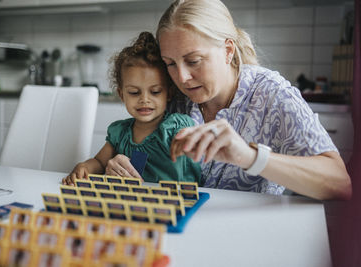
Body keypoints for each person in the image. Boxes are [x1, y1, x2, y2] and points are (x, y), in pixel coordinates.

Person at [105, 0, 352, 200]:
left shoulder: (272, 94)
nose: (182, 77)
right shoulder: (171, 94)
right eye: (170, 63)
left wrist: (249, 156)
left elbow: (340, 183)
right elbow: (148, 152)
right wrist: (124, 164)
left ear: (228, 51)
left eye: (193, 61)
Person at [62, 31, 201, 185]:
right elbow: (100, 163)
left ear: (169, 93)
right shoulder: (120, 132)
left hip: (176, 203)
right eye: (134, 93)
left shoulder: (176, 127)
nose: (144, 100)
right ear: (122, 95)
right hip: (134, 203)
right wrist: (84, 167)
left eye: (155, 92)